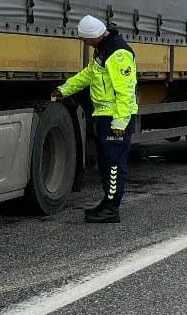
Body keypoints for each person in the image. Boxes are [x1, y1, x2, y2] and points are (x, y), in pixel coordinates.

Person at [52, 14, 138, 223]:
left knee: (114, 165)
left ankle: (111, 208)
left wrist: (119, 122)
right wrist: (64, 89)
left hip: (115, 120)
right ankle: (107, 203)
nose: (83, 42)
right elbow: (88, 76)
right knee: (106, 163)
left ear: (93, 37)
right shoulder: (103, 51)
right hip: (104, 117)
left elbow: (126, 91)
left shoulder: (118, 54)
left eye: (84, 39)